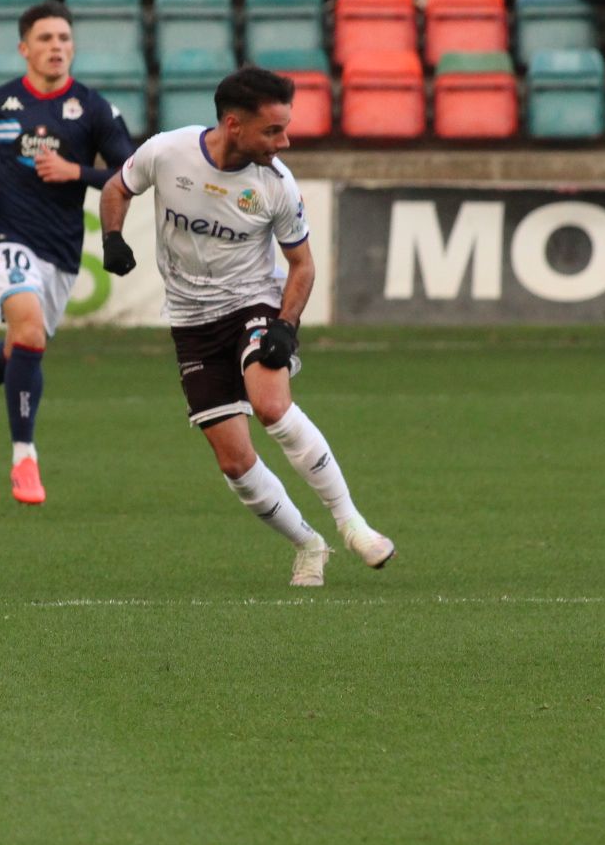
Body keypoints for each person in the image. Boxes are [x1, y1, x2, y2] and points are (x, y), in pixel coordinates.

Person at [98, 67, 398, 585]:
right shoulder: (167, 152)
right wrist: (112, 238)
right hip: (191, 320)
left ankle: (354, 525)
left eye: (285, 128)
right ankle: (309, 543)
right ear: (234, 124)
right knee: (235, 464)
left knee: (271, 406)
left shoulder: (276, 184)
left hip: (251, 302)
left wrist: (285, 324)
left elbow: (302, 265)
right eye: (273, 130)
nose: (284, 140)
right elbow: (116, 187)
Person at [0, 1, 137, 504]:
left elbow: (133, 172)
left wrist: (79, 173)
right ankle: (24, 459)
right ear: (24, 48)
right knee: (28, 330)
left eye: (64, 39)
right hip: (5, 234)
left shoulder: (94, 109)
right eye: (46, 38)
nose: (57, 47)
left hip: (61, 247)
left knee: (21, 345)